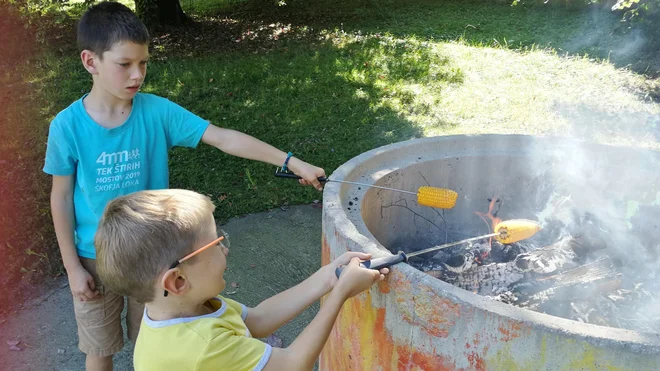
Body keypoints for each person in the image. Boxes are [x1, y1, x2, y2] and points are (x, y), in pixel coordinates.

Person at [42, 2, 325, 370]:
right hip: (94, 259)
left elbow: (223, 138)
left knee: (156, 341)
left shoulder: (156, 111)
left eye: (143, 63)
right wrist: (72, 268)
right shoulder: (67, 127)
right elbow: (61, 196)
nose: (137, 74)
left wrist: (291, 161)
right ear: (90, 61)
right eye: (124, 64)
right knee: (99, 347)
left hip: (155, 259)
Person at [94, 188, 388, 370]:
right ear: (178, 281)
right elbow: (291, 365)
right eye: (215, 243)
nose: (226, 246)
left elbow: (257, 320)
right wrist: (340, 295)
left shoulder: (186, 305)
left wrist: (328, 278)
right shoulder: (202, 344)